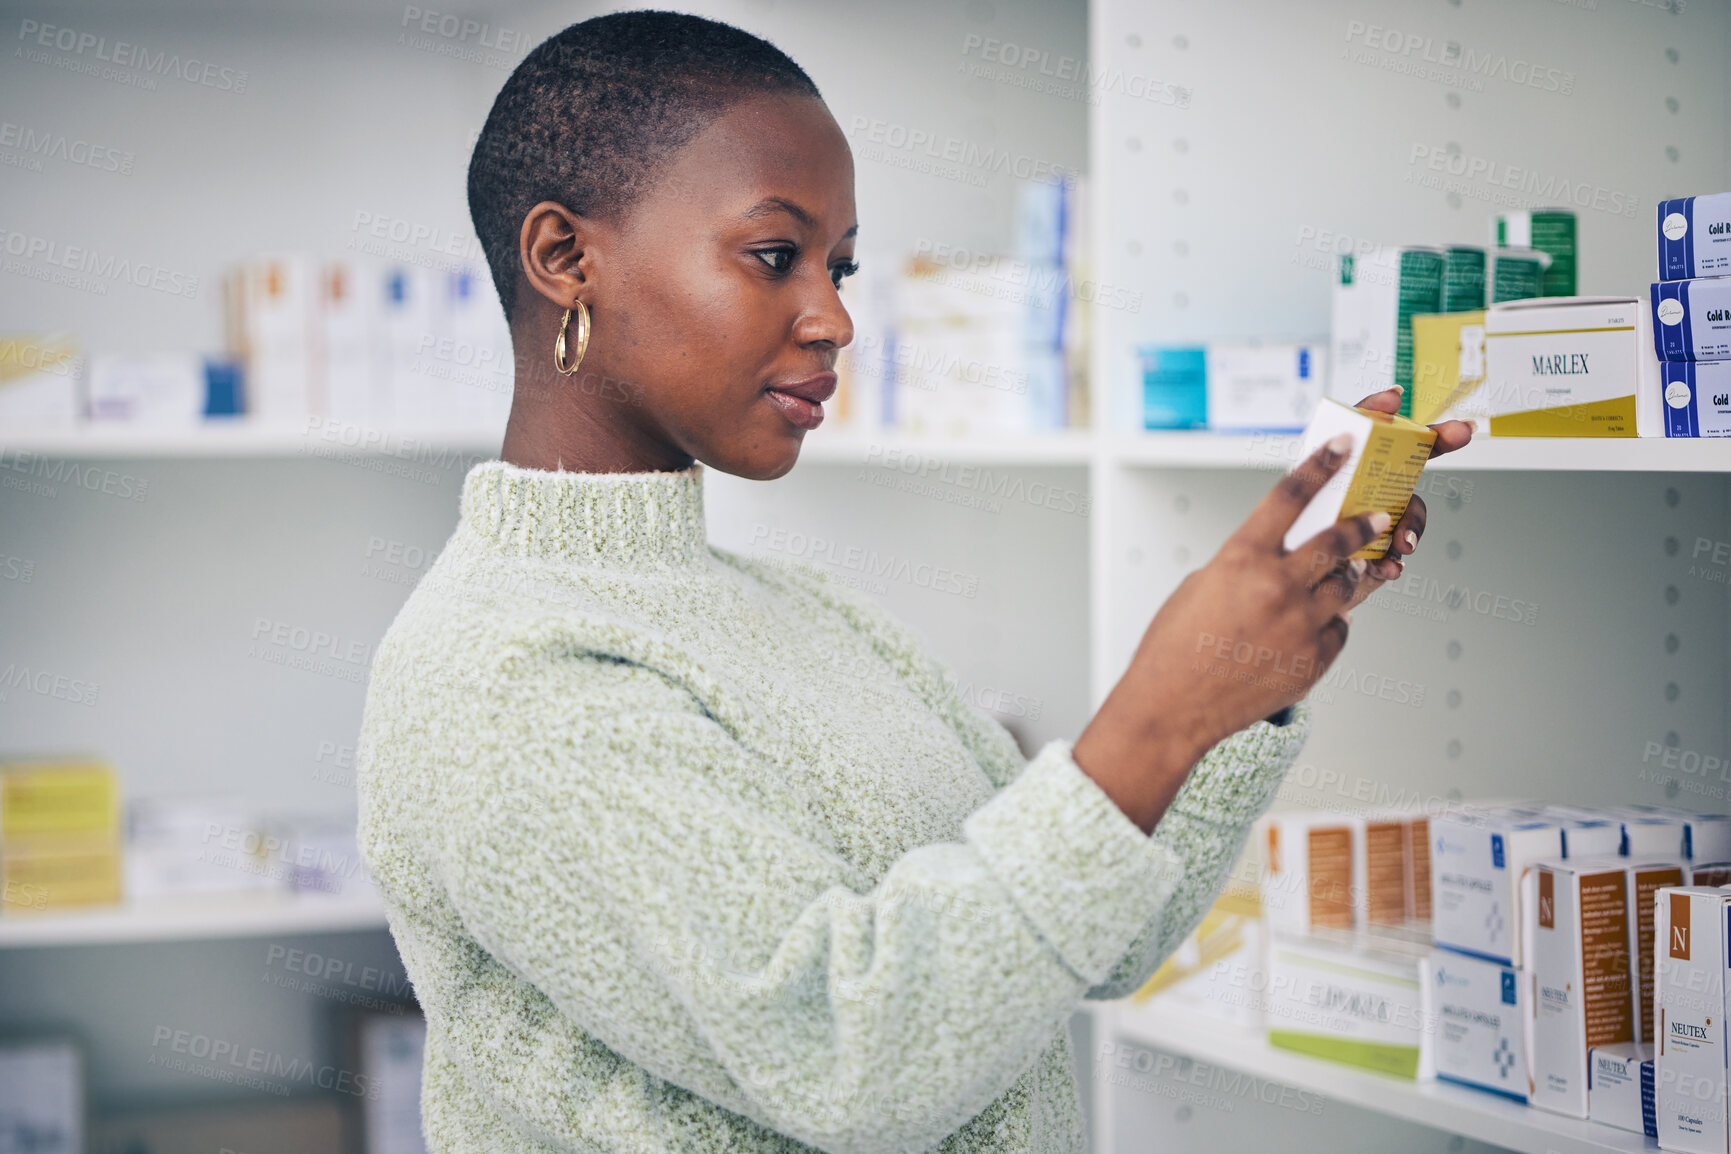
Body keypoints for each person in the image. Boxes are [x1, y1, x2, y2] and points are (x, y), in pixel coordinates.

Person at [356, 11, 1471, 1153]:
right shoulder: (509, 676)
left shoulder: (810, 614)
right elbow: (855, 1059)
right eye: (775, 255)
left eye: (840, 267)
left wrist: (1235, 681)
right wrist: (1156, 713)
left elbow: (1092, 935)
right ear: (564, 257)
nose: (836, 316)